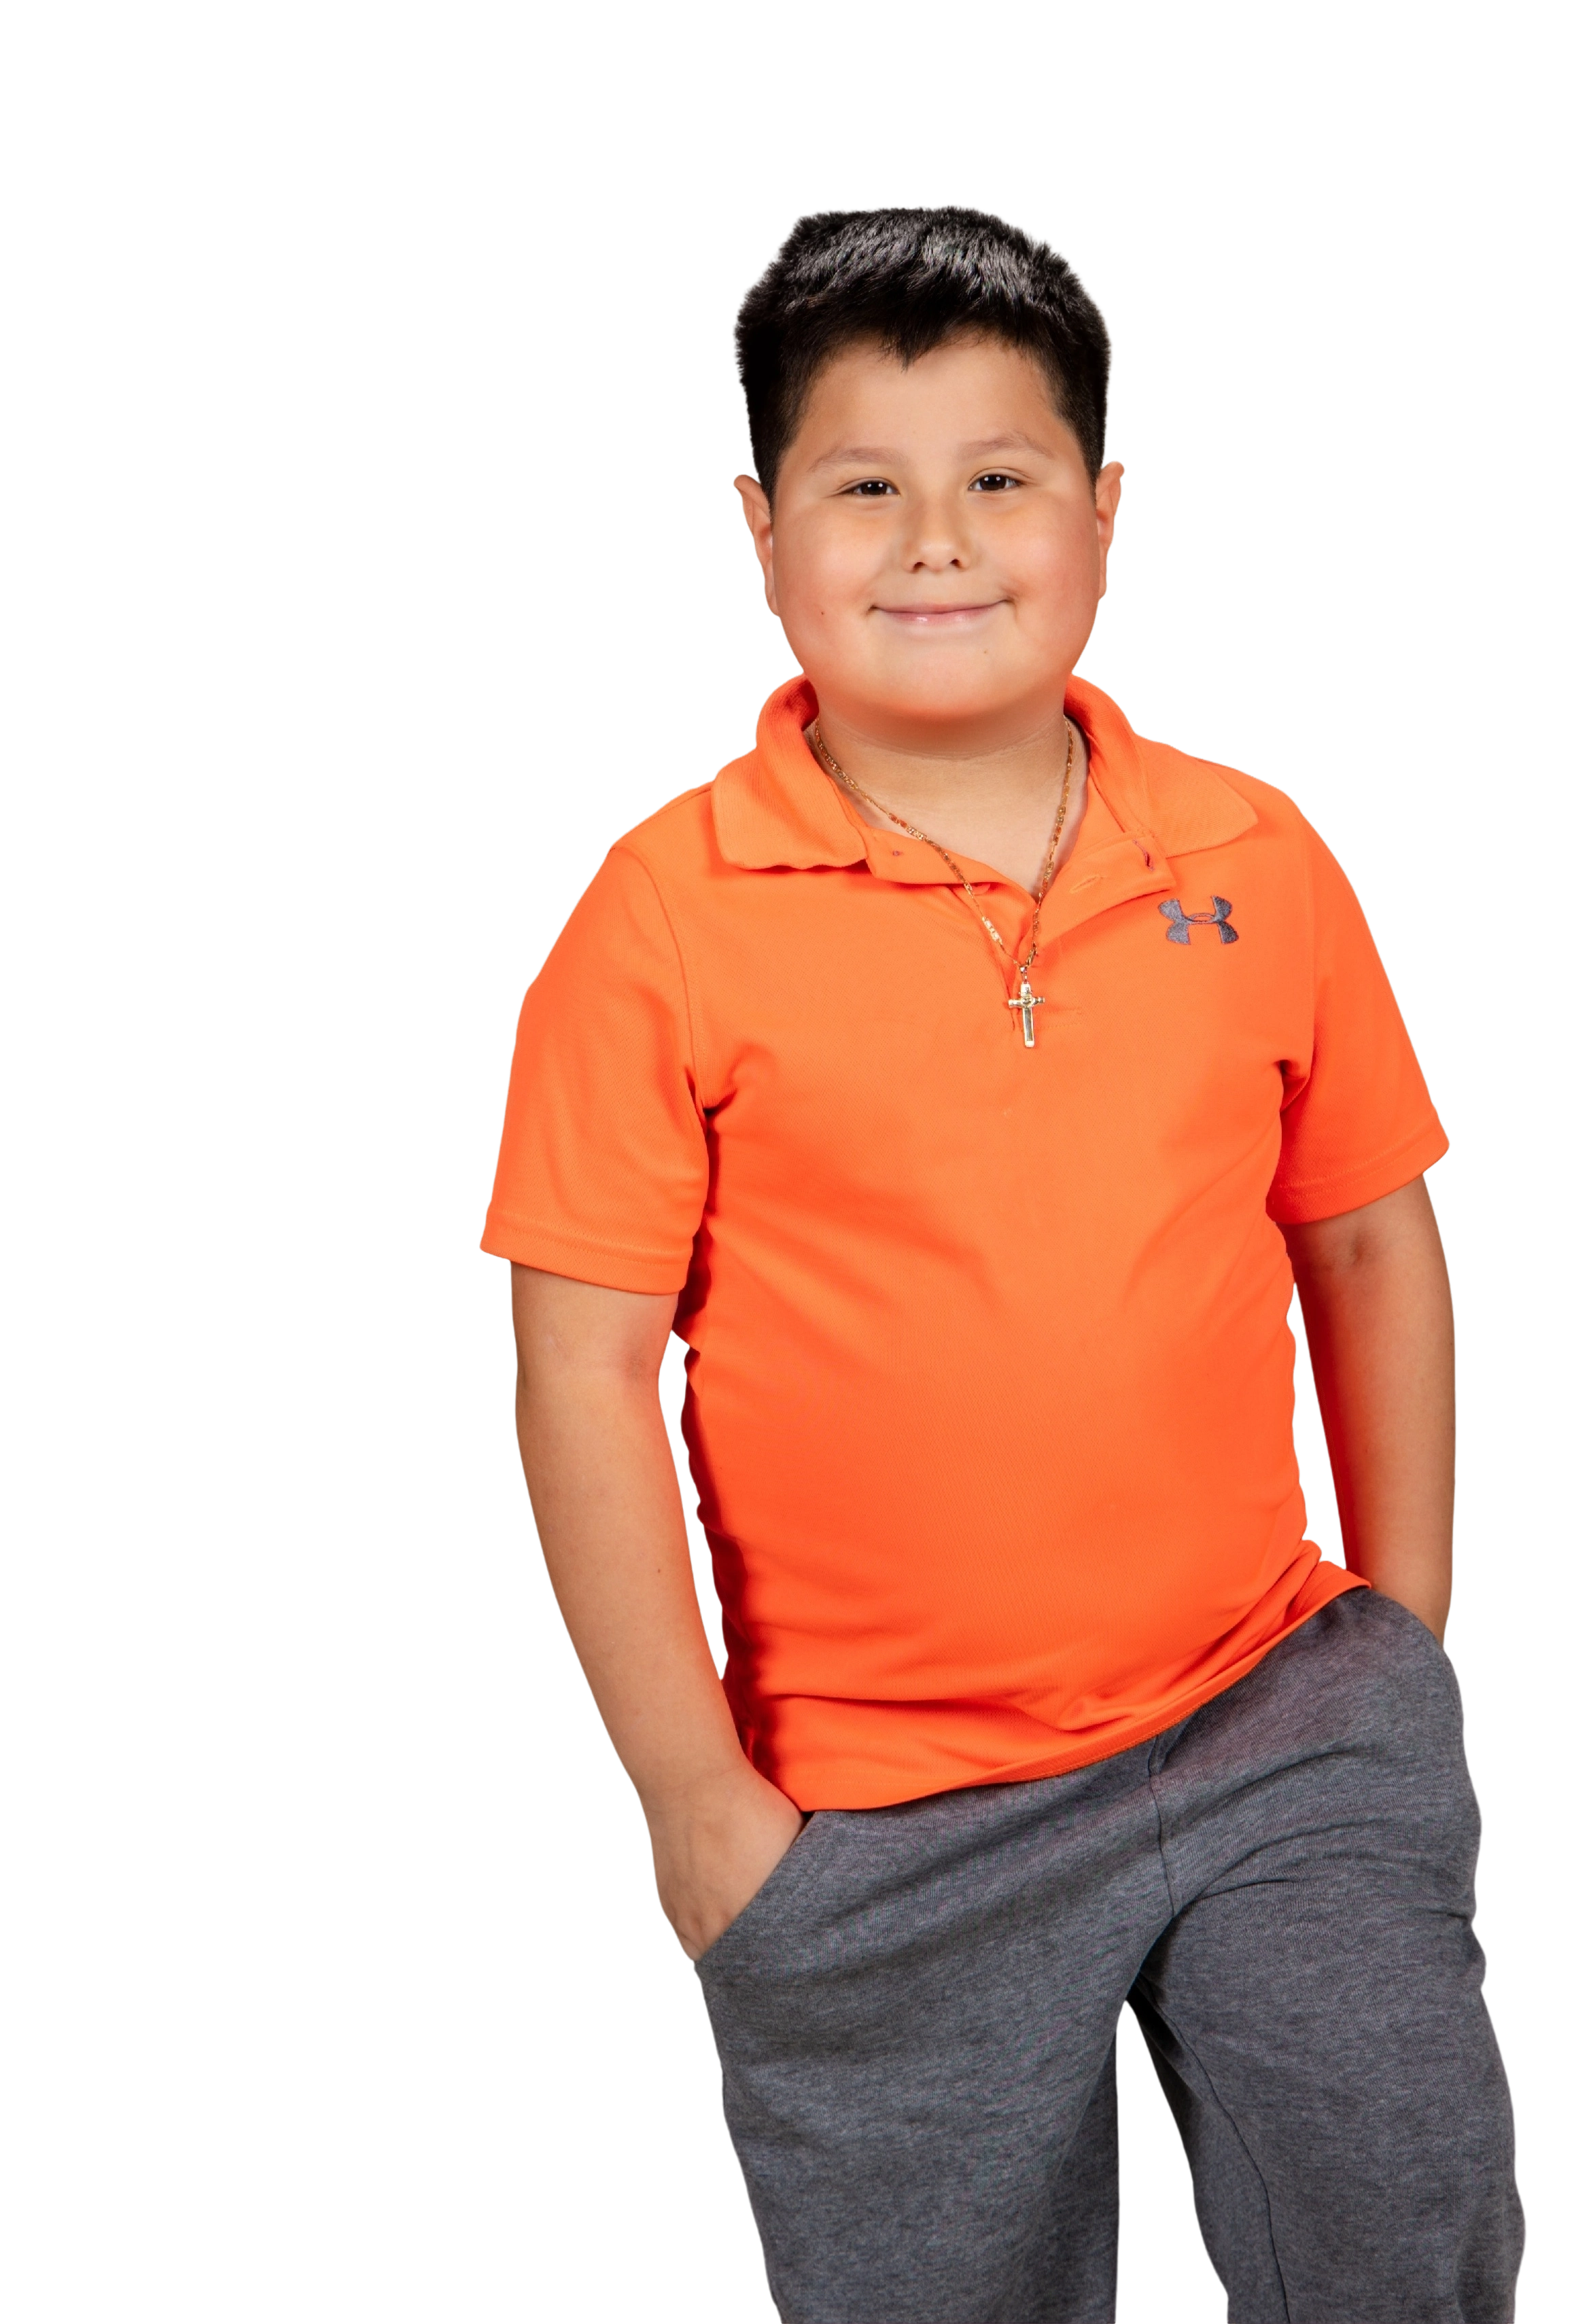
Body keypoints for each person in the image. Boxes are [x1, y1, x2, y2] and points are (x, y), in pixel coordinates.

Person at [478, 201, 1526, 2324]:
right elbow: (581, 1371)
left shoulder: (1258, 855)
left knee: (1405, 2241)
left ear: (1108, 508)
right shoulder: (659, 919)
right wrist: (696, 1803)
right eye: (867, 486)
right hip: (876, 1818)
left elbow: (1366, 1237)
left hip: (1277, 1717)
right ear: (765, 534)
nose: (938, 541)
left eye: (1001, 476)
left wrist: (1404, 1636)